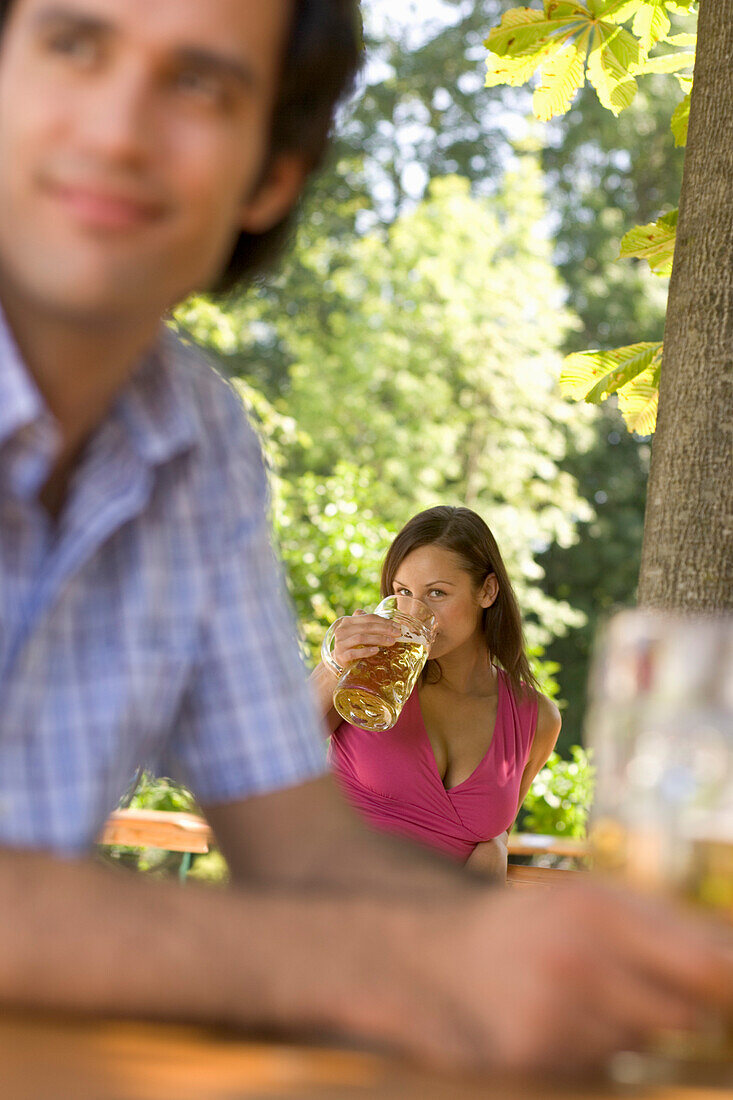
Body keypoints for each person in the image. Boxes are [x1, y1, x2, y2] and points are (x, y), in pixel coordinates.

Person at [0, 0, 732, 1079]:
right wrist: (395, 960)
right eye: (73, 44)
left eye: (201, 83)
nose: (117, 129)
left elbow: (298, 843)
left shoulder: (196, 436)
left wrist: (556, 943)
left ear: (271, 174)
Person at [313, 506, 561, 880]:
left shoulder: (536, 718)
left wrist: (495, 846)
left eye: (437, 593)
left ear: (488, 591)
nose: (415, 611)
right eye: (403, 592)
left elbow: (495, 831)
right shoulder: (370, 675)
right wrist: (333, 665)